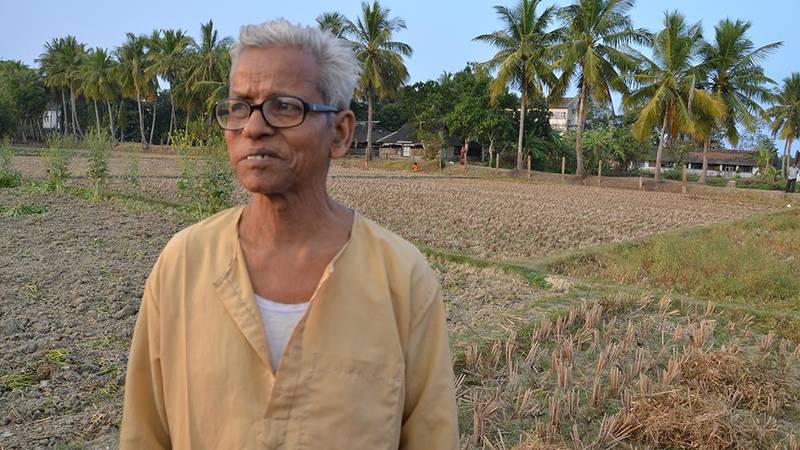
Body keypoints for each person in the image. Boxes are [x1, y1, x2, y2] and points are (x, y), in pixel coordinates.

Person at [119, 19, 459, 449]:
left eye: (284, 106)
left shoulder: (402, 279)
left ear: (339, 132)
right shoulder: (182, 264)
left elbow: (432, 437)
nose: (253, 127)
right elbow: (144, 434)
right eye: (239, 106)